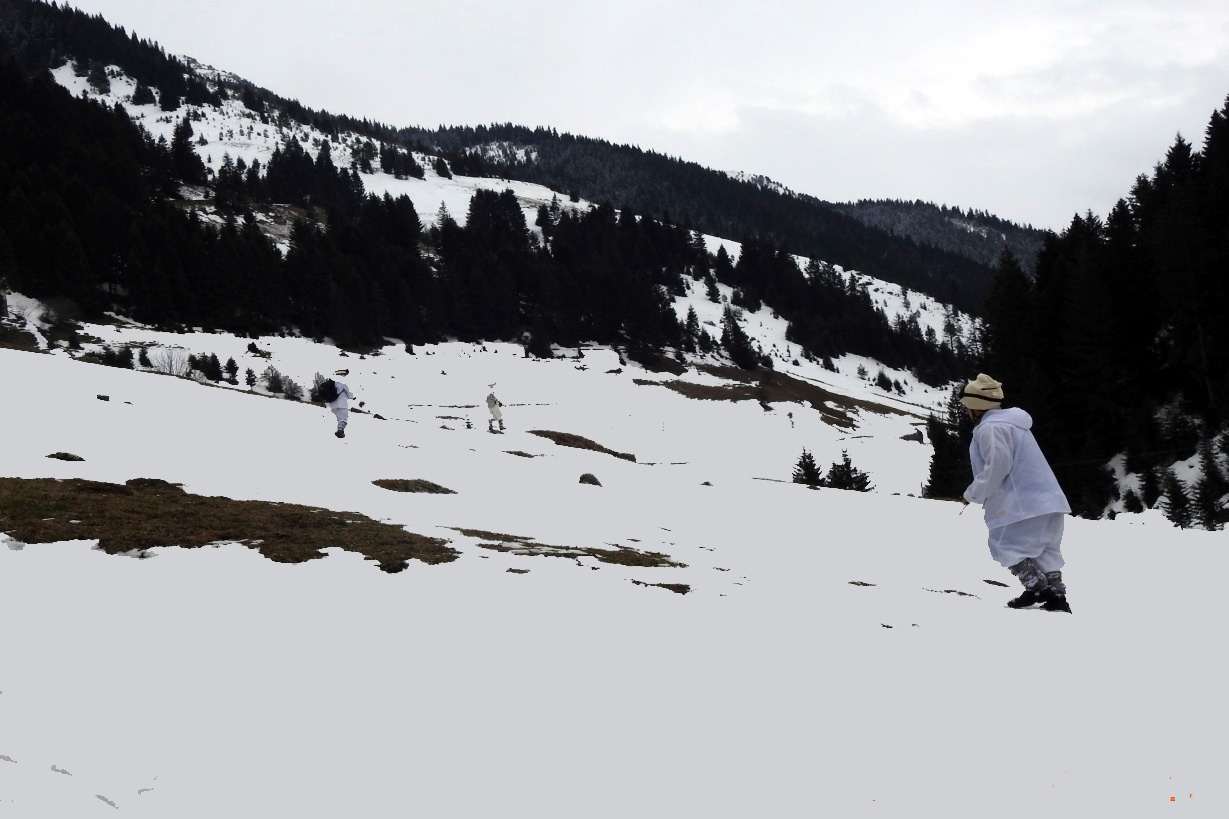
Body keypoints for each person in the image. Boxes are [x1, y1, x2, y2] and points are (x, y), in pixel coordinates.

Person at [960, 374, 1073, 612]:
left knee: (1005, 546)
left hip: (1020, 504)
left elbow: (998, 465)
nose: (966, 411)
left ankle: (1041, 590)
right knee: (1045, 549)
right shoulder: (1015, 424)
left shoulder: (990, 428)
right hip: (1048, 499)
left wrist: (973, 493)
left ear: (977, 407)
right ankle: (1056, 597)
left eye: (968, 406)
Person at [327, 369, 356, 438]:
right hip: (342, 404)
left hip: (332, 404)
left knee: (338, 418)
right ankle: (340, 431)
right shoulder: (343, 384)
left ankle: (339, 430)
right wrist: (353, 397)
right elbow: (350, 395)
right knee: (343, 419)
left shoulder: (331, 383)